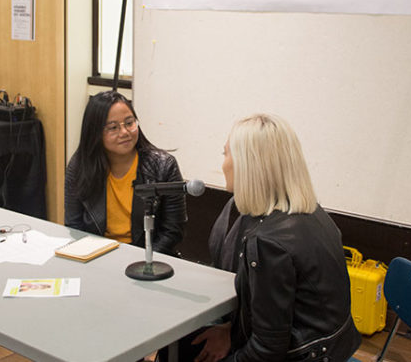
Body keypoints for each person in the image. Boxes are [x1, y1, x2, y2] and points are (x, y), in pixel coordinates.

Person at [190, 114, 361, 362]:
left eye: (225, 154)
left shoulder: (269, 242)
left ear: (248, 166)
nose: (223, 163)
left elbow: (267, 350)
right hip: (334, 346)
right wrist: (231, 332)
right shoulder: (311, 212)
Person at [64, 90, 186, 255]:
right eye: (113, 127)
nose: (124, 132)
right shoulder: (79, 166)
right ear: (95, 132)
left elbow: (173, 231)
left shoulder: (164, 166)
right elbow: (73, 225)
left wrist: (143, 260)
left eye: (129, 123)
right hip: (97, 254)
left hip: (147, 256)